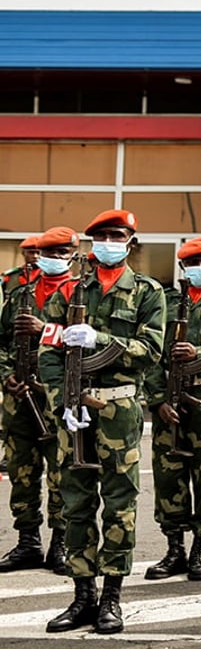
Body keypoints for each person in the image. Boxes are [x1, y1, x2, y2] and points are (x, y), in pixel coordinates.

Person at [39, 209, 166, 635]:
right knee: (75, 503)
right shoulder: (70, 293)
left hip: (119, 409)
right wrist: (62, 401)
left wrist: (101, 340)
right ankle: (82, 595)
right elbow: (48, 353)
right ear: (92, 242)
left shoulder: (149, 293)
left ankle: (112, 596)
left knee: (118, 504)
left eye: (118, 235)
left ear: (130, 242)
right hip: (75, 411)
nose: (110, 241)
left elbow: (151, 350)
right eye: (103, 236)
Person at [142, 237, 201, 583]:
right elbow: (151, 354)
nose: (200, 267)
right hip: (170, 398)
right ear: (182, 267)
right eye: (193, 262)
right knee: (169, 475)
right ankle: (174, 549)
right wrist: (157, 400)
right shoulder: (165, 302)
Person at [0, 228, 75, 575]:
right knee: (22, 471)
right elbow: (1, 344)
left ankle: (60, 542)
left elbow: (86, 344)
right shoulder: (19, 294)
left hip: (57, 396)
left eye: (60, 252)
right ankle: (28, 540)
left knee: (61, 472)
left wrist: (44, 327)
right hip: (19, 396)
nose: (50, 258)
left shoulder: (80, 295)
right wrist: (6, 376)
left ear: (72, 255)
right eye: (46, 252)